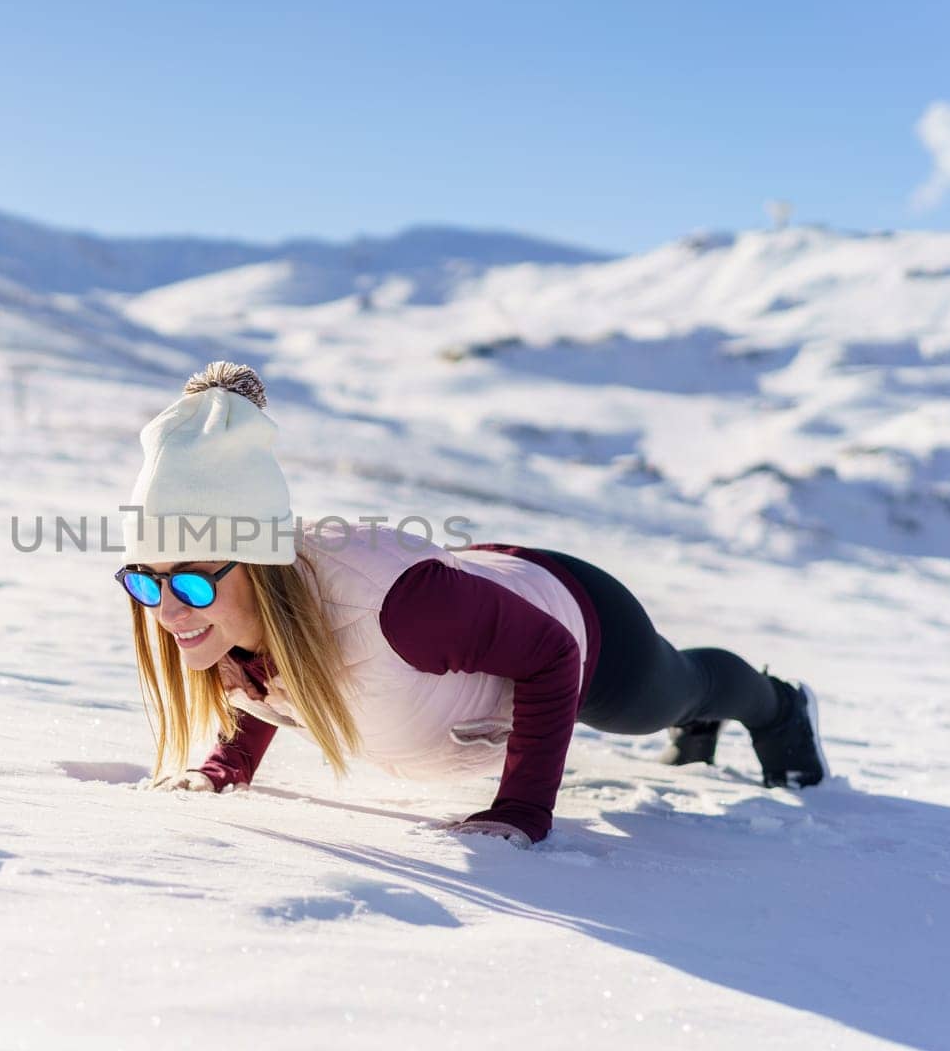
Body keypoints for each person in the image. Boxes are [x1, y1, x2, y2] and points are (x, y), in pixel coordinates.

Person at [119, 361, 828, 849]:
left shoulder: (396, 608)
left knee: (666, 698)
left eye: (189, 582)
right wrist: (227, 764)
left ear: (262, 564)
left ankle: (779, 707)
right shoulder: (227, 614)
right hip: (479, 613)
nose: (168, 610)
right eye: (146, 581)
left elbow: (553, 651)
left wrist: (521, 809)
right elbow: (270, 675)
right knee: (670, 704)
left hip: (578, 622)